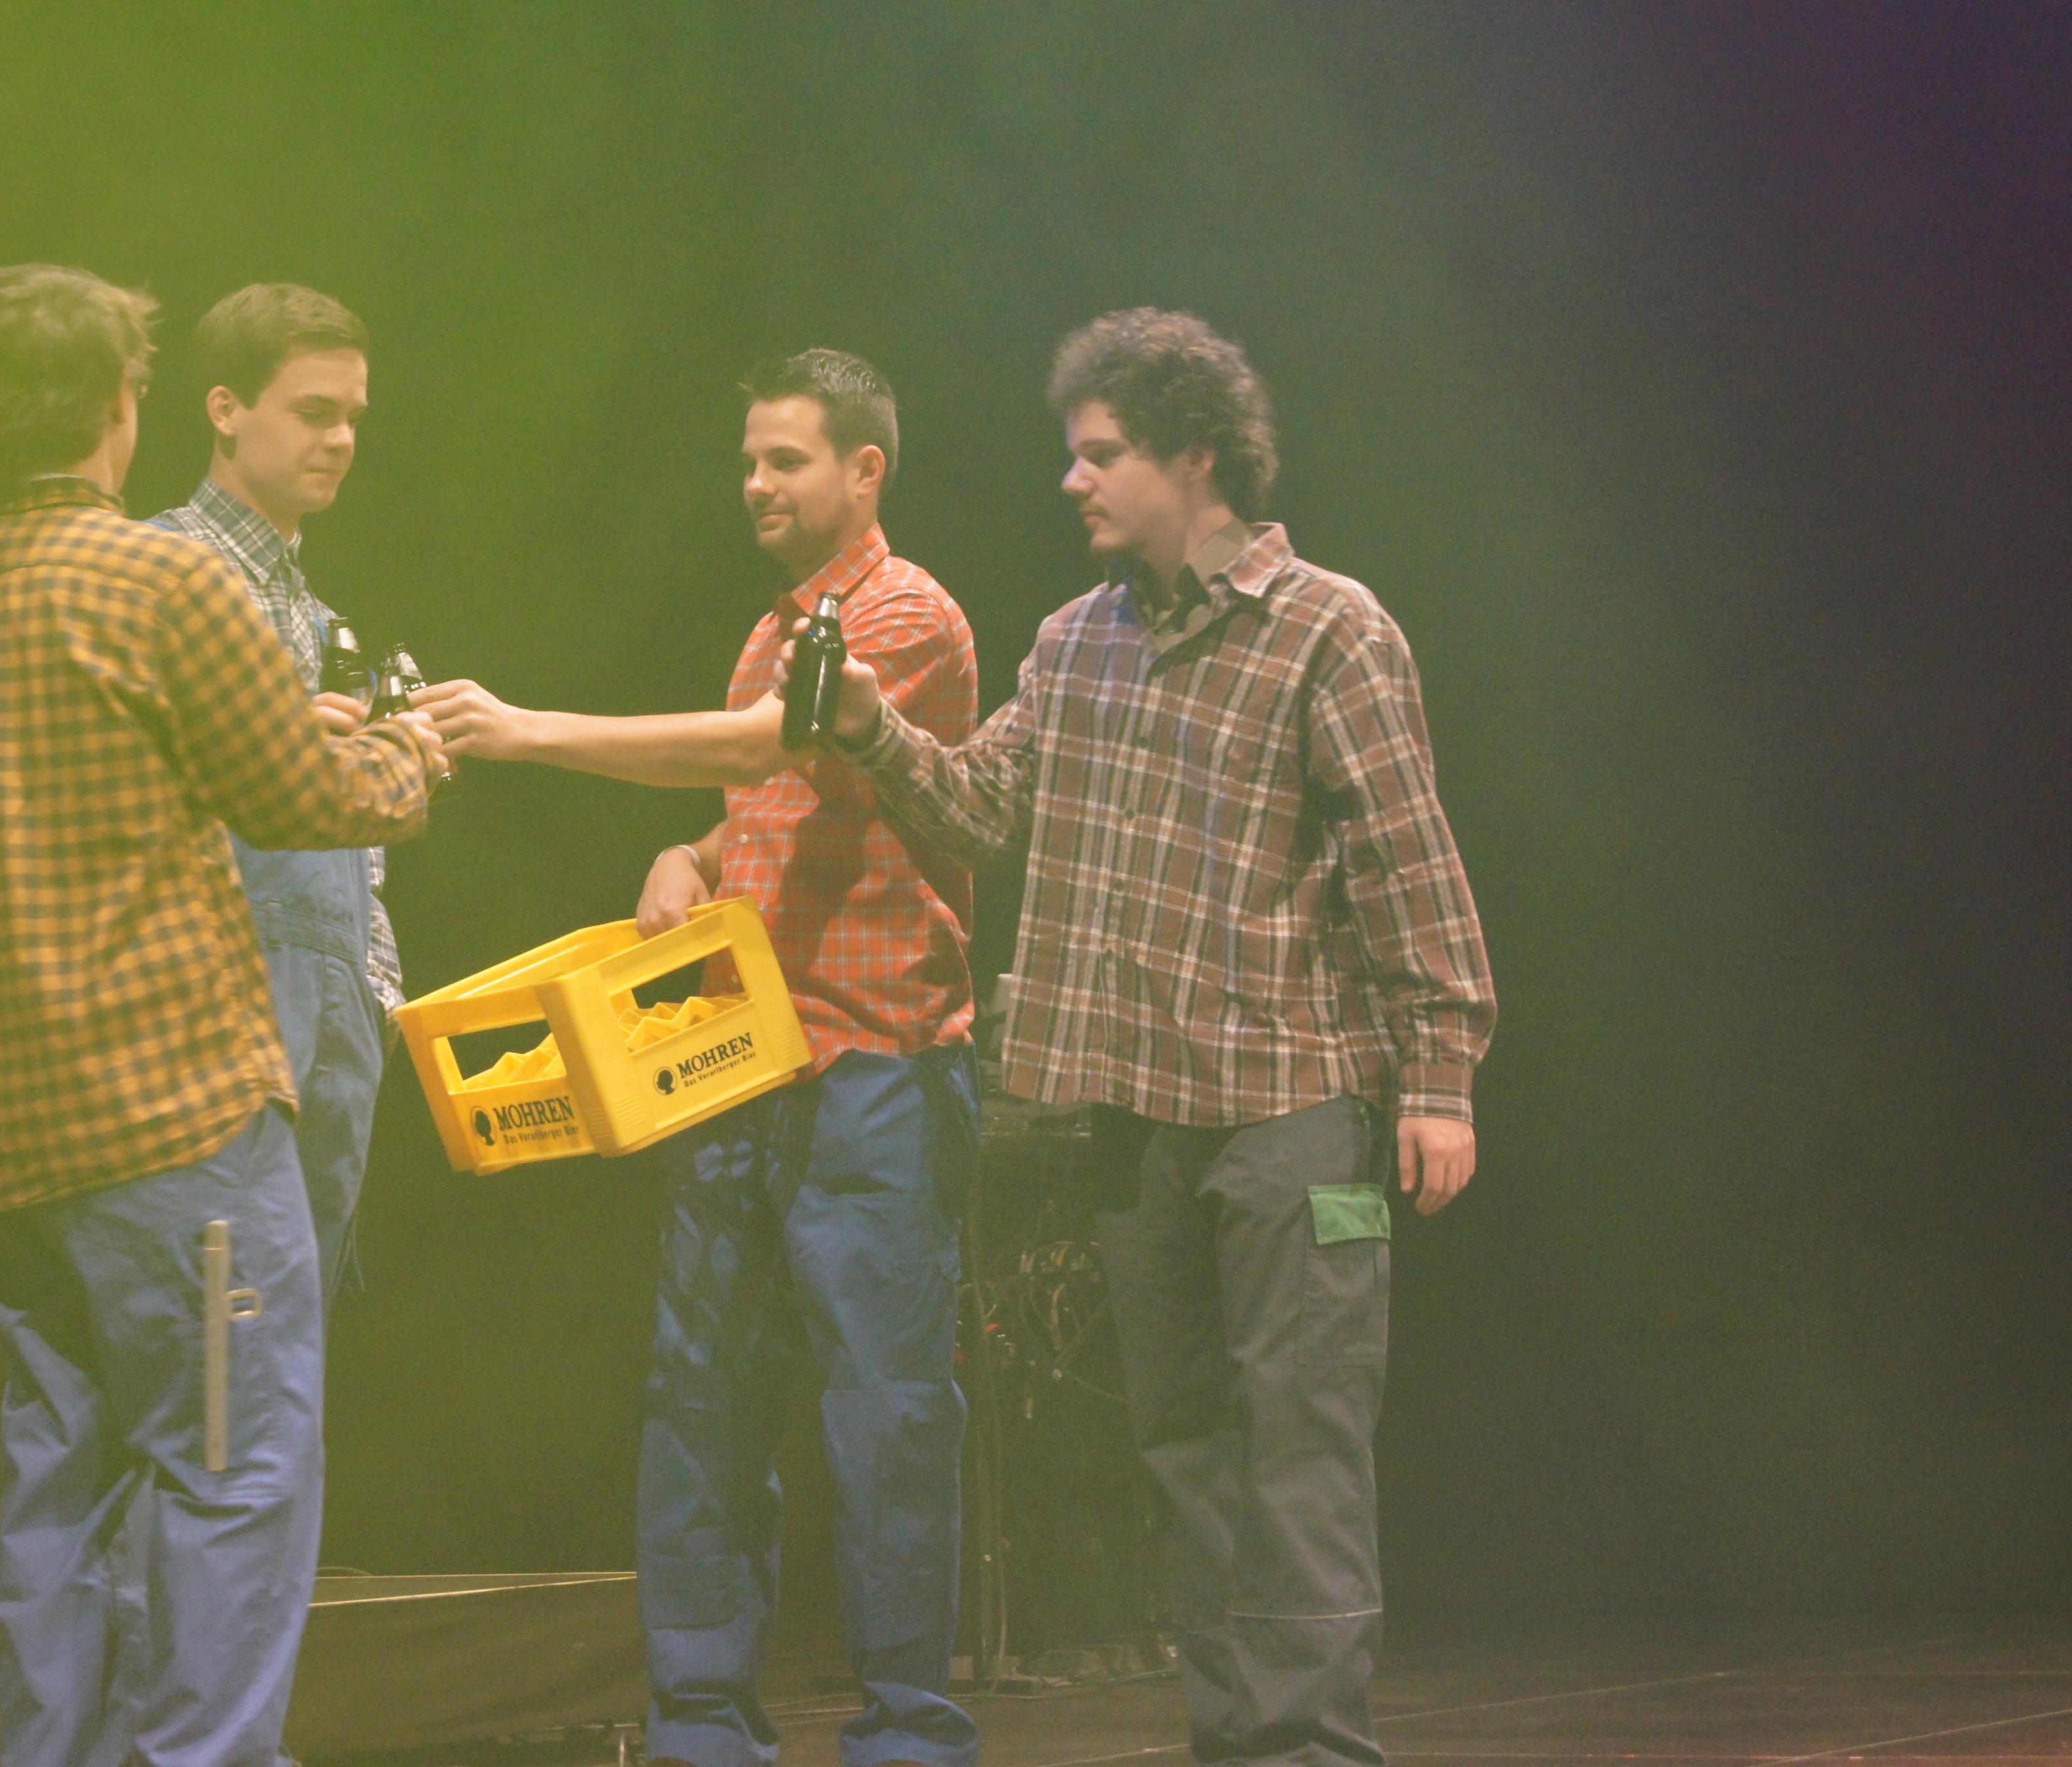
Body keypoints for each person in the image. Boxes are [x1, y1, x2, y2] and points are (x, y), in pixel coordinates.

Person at [812, 309, 1496, 1767]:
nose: (1073, 479)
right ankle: (1235, 1739)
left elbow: (1407, 863)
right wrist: (870, 726)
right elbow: (982, 810)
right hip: (1132, 1116)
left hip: (1296, 1111)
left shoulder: (1328, 628)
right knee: (1185, 1444)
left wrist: (1438, 1082)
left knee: (1300, 1441)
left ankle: (1311, 1747)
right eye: (1074, 454)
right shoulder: (1076, 644)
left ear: (1196, 457)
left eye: (1102, 453)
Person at [0, 263, 438, 1767]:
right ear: (121, 407)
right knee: (236, 1469)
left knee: (60, 1484)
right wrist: (405, 755)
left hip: (8, 1141)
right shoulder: (164, 583)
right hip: (173, 1119)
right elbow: (303, 795)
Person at [414, 349, 984, 1767]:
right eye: (746, 461)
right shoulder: (770, 625)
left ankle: (908, 1730)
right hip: (740, 1064)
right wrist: (687, 851)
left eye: (785, 460)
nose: (755, 484)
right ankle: (702, 1725)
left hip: (872, 1069)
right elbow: (765, 804)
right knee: (700, 1400)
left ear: (864, 469)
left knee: (887, 1414)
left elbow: (772, 740)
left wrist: (527, 729)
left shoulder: (902, 614)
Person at [149, 282, 399, 1302]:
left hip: (331, 1009)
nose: (340, 440)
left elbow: (354, 856)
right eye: (313, 412)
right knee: (208, 1333)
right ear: (225, 408)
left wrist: (376, 992)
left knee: (290, 1332)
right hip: (215, 997)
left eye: (352, 418)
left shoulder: (327, 622)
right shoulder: (159, 571)